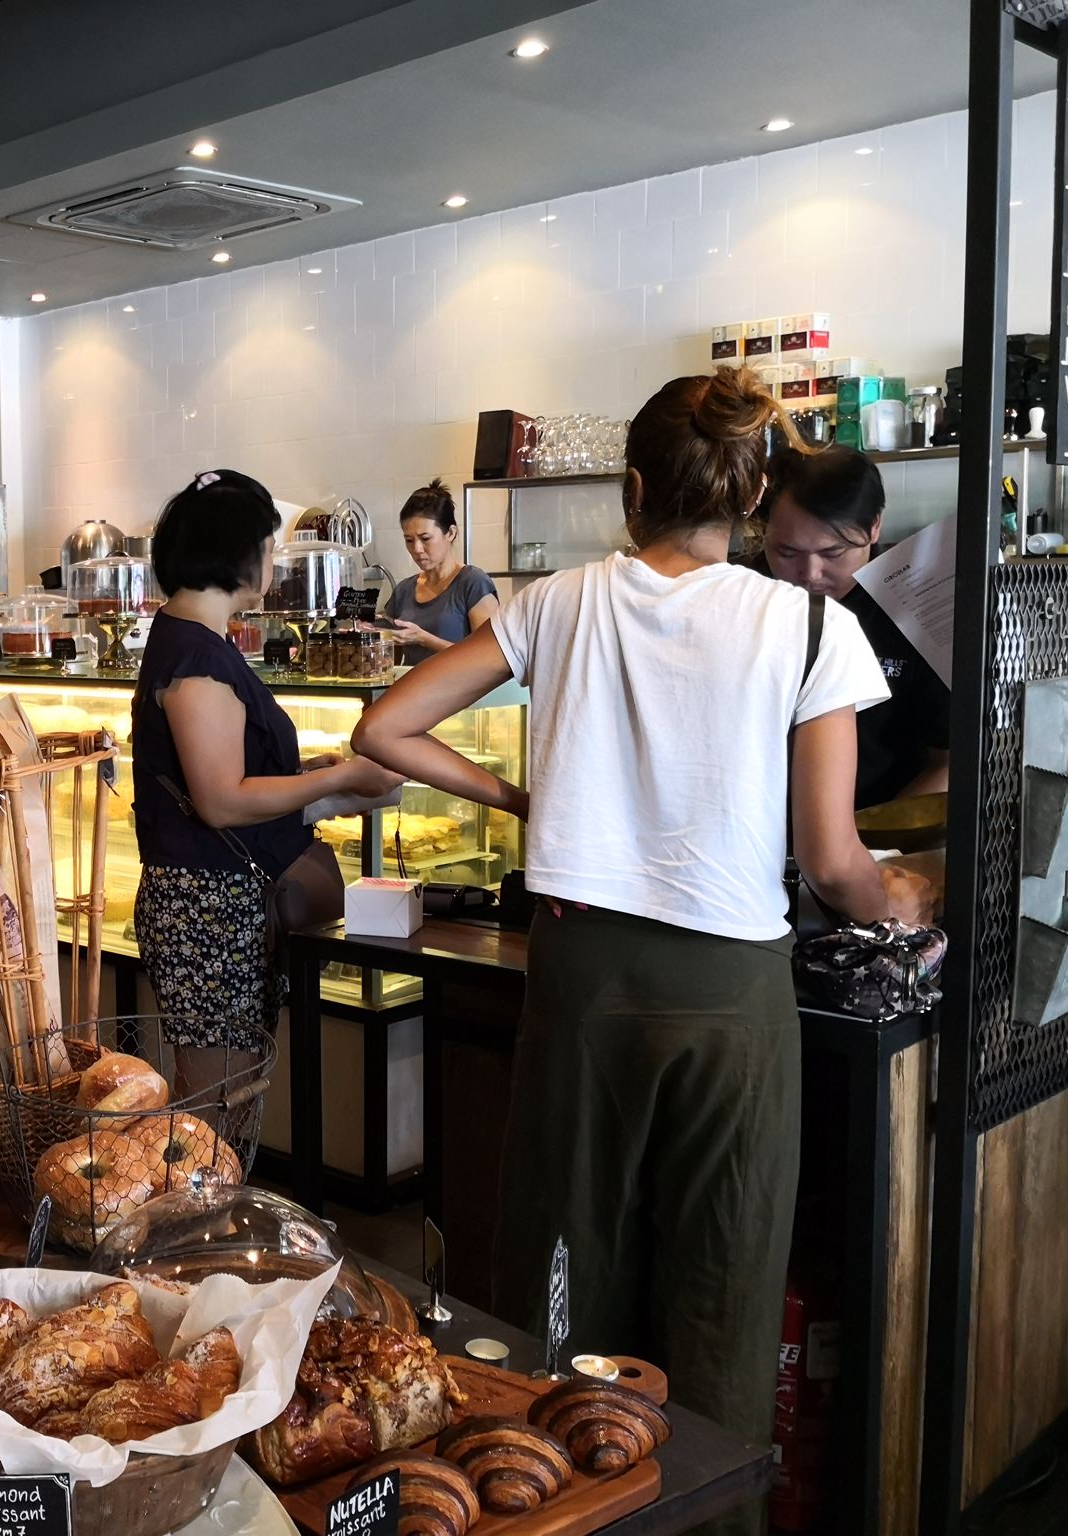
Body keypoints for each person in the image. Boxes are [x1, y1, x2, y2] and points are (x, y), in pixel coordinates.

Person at [350, 368, 893, 1484]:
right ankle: (708, 1505)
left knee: (566, 1252)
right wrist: (908, 898)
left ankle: (544, 1489)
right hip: (734, 992)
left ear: (632, 488)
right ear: (751, 498)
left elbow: (384, 725)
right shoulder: (807, 625)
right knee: (722, 1273)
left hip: (583, 969)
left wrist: (521, 799)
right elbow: (835, 864)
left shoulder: (557, 602)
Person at [133, 470, 400, 1096]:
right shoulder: (198, 659)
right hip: (207, 909)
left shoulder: (196, 640)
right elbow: (222, 801)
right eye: (270, 548)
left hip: (218, 903)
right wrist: (343, 777)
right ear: (236, 553)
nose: (274, 564)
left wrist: (310, 779)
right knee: (216, 1104)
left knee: (232, 1097)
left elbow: (226, 779)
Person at [749, 446, 951, 809]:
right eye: (786, 553)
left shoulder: (917, 608)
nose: (809, 574)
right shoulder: (745, 595)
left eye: (832, 553)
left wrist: (869, 836)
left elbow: (949, 762)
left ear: (874, 527)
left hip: (878, 825)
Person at [378, 479, 499, 660]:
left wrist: (425, 639)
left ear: (450, 533)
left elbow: (490, 657)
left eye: (425, 538)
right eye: (409, 540)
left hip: (460, 680)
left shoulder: (473, 583)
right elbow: (389, 660)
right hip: (413, 680)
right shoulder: (403, 591)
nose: (417, 549)